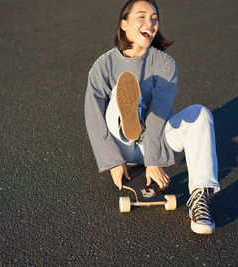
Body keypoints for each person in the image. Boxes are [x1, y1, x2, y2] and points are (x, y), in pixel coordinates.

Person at [84, 0, 220, 234]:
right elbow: (93, 115)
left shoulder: (164, 63)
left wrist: (154, 160)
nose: (150, 23)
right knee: (122, 90)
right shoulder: (104, 64)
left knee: (201, 113)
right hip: (121, 144)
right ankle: (129, 116)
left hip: (155, 143)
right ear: (124, 24)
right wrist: (113, 161)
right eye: (142, 16)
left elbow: (159, 114)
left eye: (154, 18)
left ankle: (199, 198)